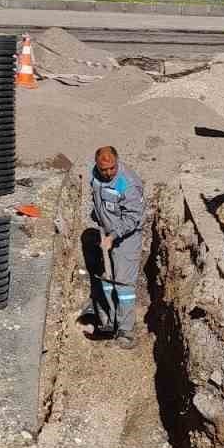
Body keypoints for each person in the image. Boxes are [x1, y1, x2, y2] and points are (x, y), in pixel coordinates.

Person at [88, 146, 146, 350]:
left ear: (117, 162)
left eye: (112, 168)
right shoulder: (94, 175)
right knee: (107, 279)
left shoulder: (125, 182)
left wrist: (113, 236)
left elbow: (133, 217)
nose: (108, 173)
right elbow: (96, 199)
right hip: (106, 233)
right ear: (96, 165)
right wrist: (100, 223)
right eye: (103, 169)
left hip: (126, 239)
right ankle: (110, 321)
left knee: (123, 285)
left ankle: (126, 331)